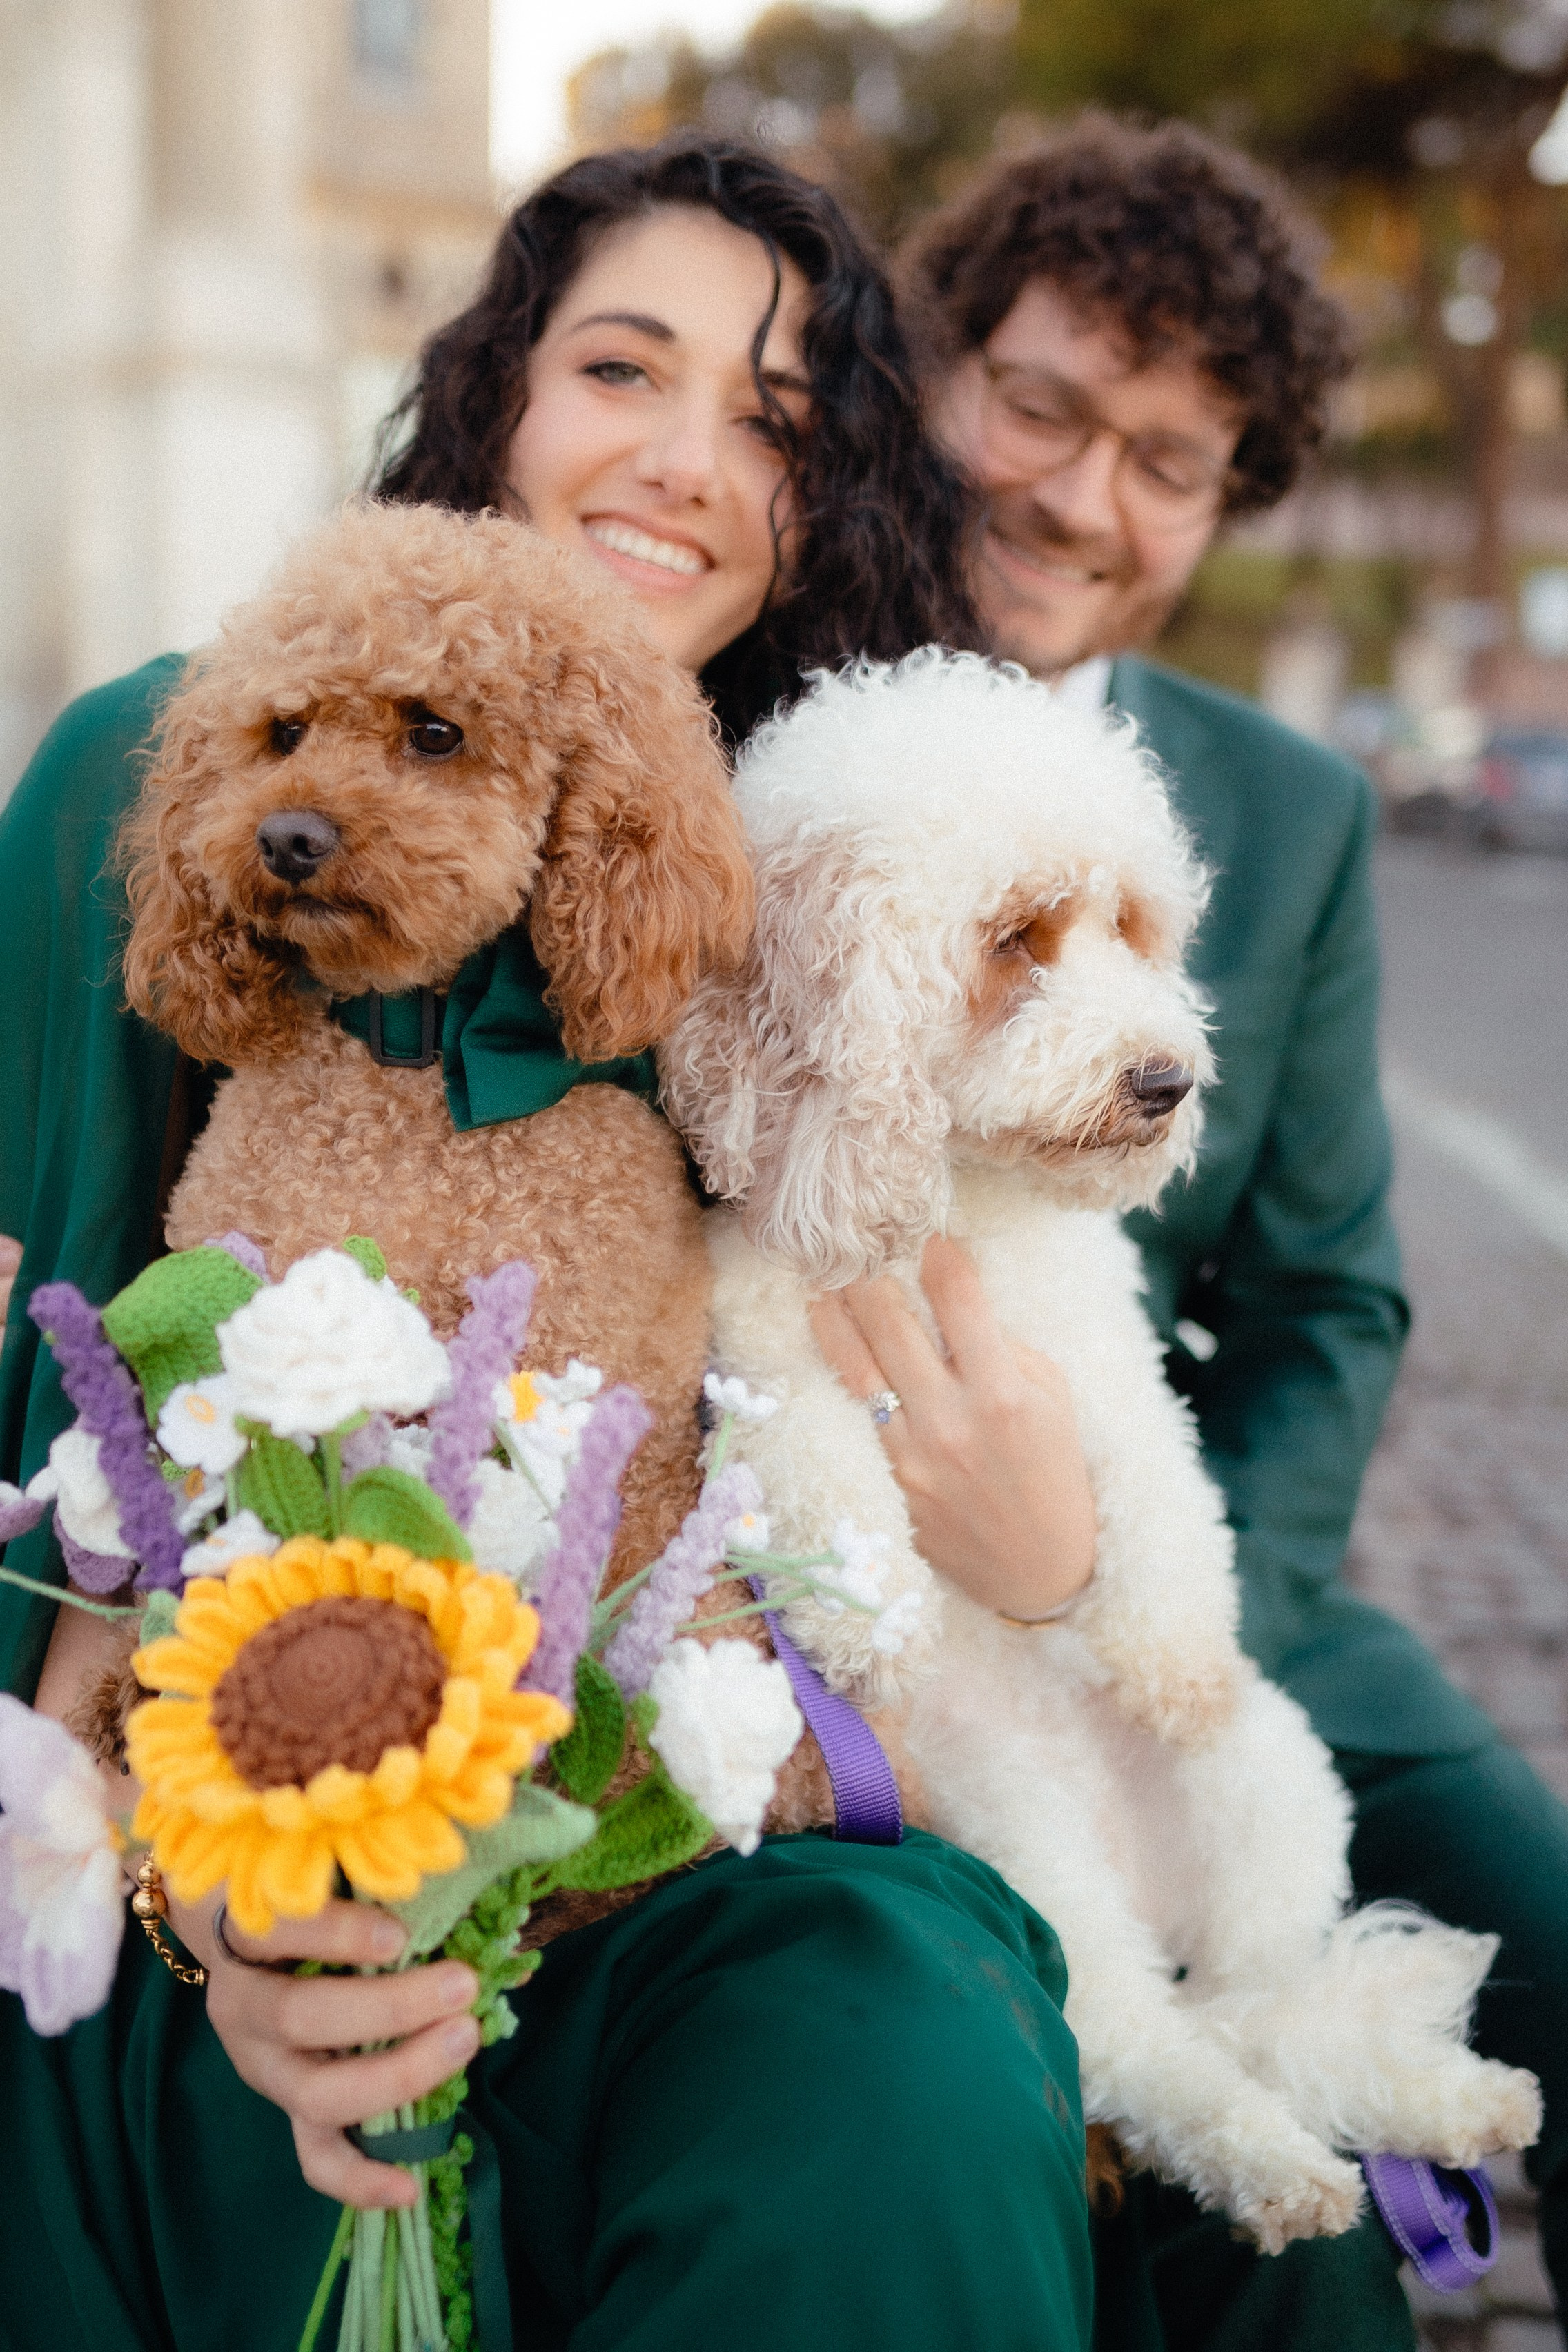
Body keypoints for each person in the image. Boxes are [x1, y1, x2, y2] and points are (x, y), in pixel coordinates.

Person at [0, 137, 1108, 2352]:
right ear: (503, 387)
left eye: (778, 426)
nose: (690, 462)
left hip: (697, 1806)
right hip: (244, 1842)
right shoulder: (172, 766)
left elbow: (967, 1341)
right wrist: (205, 1893)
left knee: (902, 2045)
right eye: (626, 366)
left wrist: (1055, 1557)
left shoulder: (806, 862)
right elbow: (66, 1454)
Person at [854, 110, 1561, 2342]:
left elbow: (1333, 1296)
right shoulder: (797, 728)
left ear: (1232, 492)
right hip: (864, 1591)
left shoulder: (1297, 808)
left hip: (1211, 1576)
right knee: (1204, 2182)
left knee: (1547, 1923)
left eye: (1170, 454)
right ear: (936, 366)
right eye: (1042, 402)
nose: (1083, 494)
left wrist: (1174, 1607)